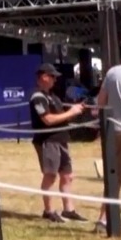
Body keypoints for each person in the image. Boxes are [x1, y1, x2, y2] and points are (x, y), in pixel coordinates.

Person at [29, 63, 87, 223]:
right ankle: (48, 211)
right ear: (44, 77)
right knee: (50, 175)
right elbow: (47, 120)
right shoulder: (37, 97)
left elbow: (60, 116)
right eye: (53, 76)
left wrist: (74, 110)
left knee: (67, 176)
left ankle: (69, 210)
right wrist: (71, 112)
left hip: (61, 139)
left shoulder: (52, 96)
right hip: (48, 141)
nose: (55, 80)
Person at [95, 58, 121, 232]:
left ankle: (103, 219)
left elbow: (101, 102)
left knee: (114, 177)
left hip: (114, 129)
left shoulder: (112, 73)